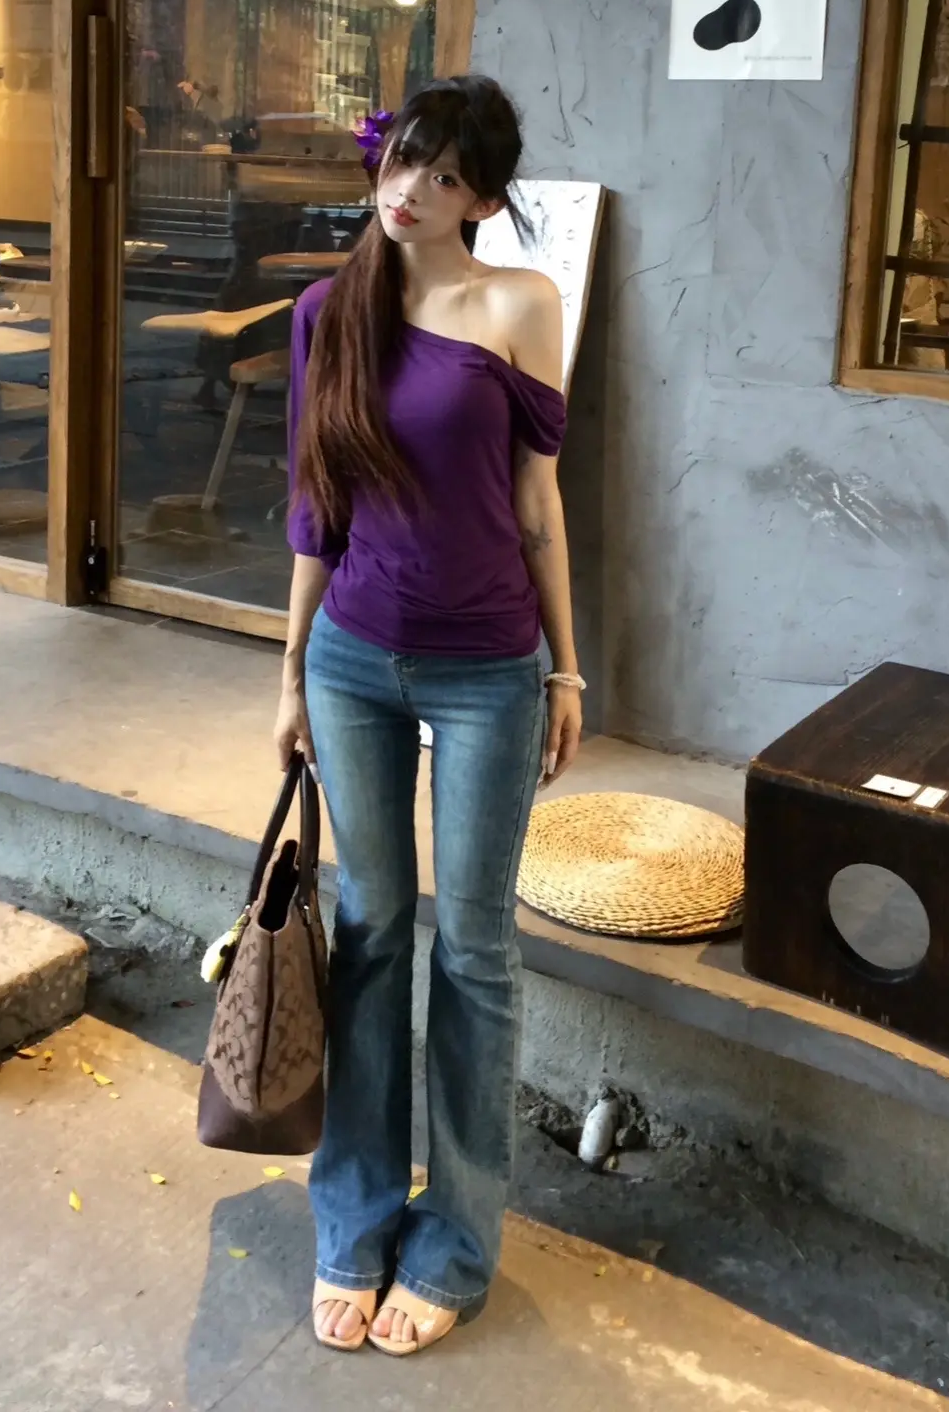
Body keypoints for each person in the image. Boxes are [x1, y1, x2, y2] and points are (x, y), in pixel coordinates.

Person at [274, 74, 584, 1358]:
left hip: (488, 669)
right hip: (351, 659)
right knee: (369, 930)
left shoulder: (522, 305)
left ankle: (455, 1239)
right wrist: (289, 674)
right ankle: (352, 1220)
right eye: (403, 160)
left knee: (475, 950)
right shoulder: (327, 312)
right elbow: (315, 510)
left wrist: (567, 671)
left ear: (485, 201)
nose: (410, 190)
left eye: (445, 176)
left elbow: (538, 505)